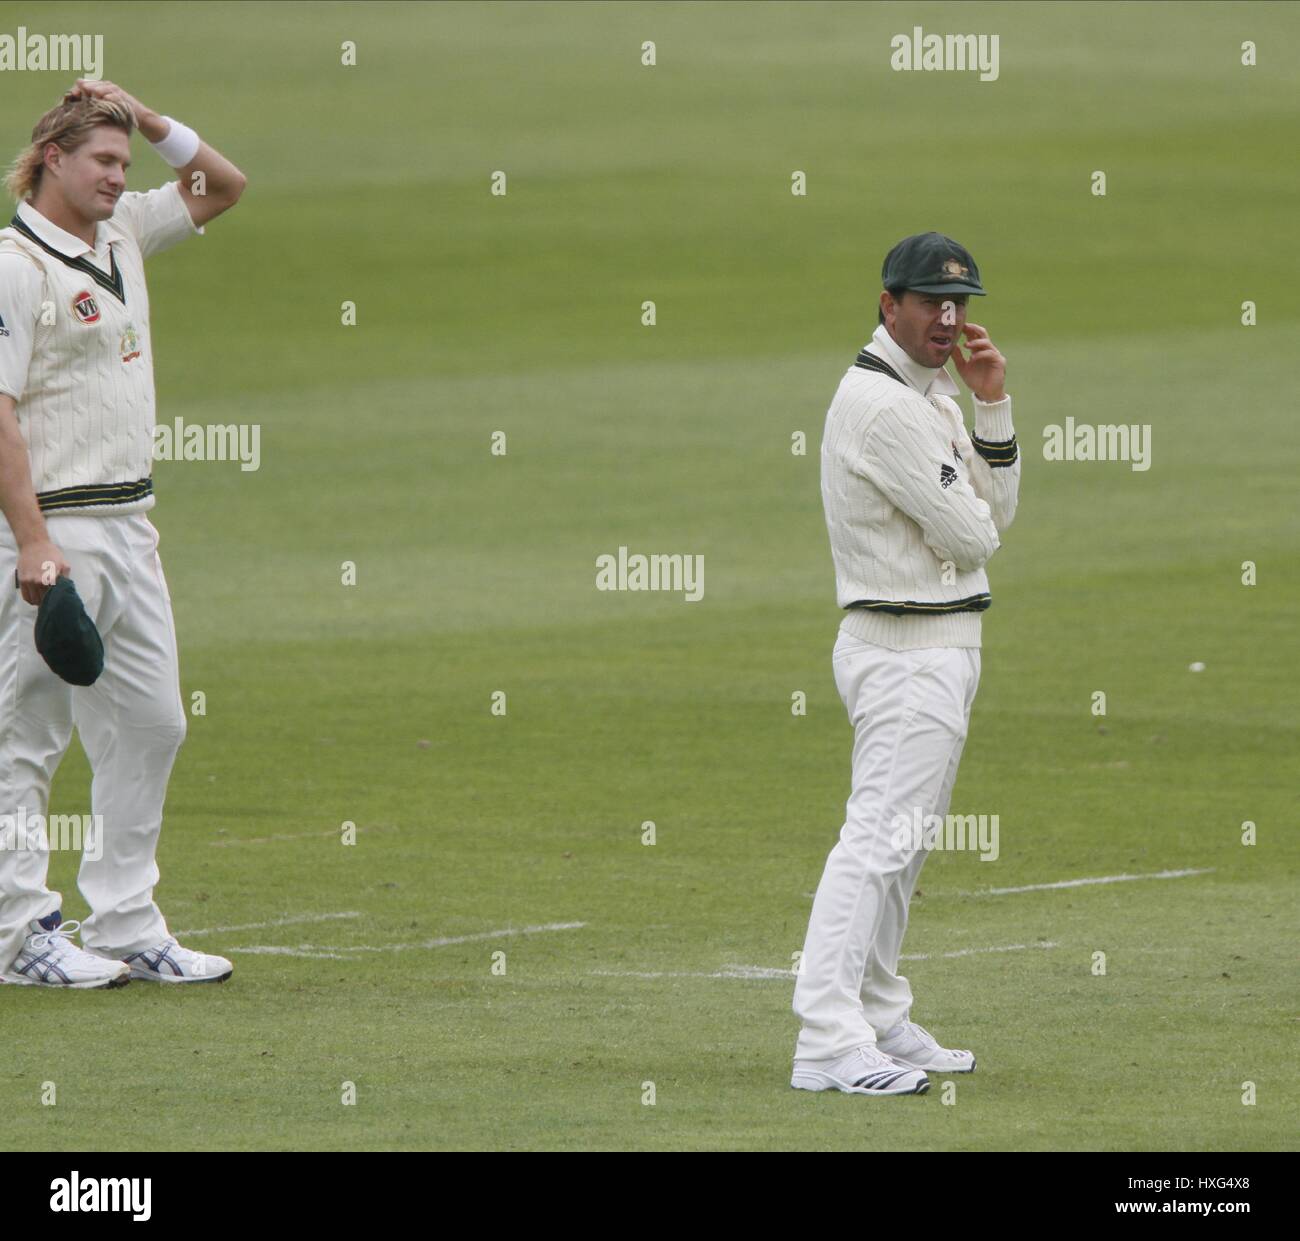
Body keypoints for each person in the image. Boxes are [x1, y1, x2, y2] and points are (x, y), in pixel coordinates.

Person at [0, 81, 246, 987]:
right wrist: (31, 543)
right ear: (51, 159)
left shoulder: (124, 233)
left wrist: (146, 118)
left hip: (131, 526)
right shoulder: (14, 266)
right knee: (23, 740)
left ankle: (124, 920)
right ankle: (20, 934)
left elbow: (222, 185)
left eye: (125, 163)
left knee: (151, 723)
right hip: (49, 534)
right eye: (101, 161)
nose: (118, 176)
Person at [791, 232, 1021, 1094]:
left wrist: (991, 407)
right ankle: (826, 1038)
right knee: (878, 840)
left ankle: (879, 1011)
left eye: (958, 304)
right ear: (889, 305)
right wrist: (964, 516)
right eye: (929, 302)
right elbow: (974, 533)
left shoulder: (935, 394)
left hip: (943, 641)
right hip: (902, 649)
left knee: (907, 843)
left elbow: (993, 511)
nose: (948, 319)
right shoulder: (884, 406)